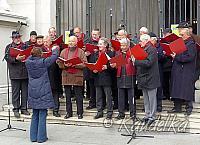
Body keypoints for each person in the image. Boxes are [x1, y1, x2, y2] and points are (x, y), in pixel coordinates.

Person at [25, 46, 59, 143]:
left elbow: (28, 58)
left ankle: (33, 137)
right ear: (40, 54)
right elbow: (54, 56)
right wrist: (55, 49)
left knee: (35, 114)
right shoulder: (43, 62)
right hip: (42, 89)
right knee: (42, 114)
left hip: (32, 89)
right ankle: (41, 137)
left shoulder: (28, 62)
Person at [168, 22, 197, 116]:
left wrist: (176, 57)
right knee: (176, 88)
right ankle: (177, 107)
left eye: (180, 29)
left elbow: (190, 57)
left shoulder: (191, 43)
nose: (179, 30)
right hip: (177, 69)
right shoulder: (180, 41)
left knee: (186, 89)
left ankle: (189, 108)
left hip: (186, 70)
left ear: (186, 31)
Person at [132, 34, 160, 125]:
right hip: (144, 78)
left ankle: (152, 116)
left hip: (151, 78)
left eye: (141, 41)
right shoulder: (143, 49)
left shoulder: (152, 49)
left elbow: (149, 63)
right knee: (146, 99)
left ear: (146, 41)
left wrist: (135, 61)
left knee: (152, 99)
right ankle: (147, 115)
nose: (140, 43)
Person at [57, 36, 87, 119]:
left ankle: (80, 113)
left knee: (78, 96)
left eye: (72, 41)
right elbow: (59, 63)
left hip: (77, 75)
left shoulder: (81, 52)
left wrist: (75, 65)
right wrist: (64, 65)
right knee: (67, 96)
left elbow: (85, 64)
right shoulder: (63, 51)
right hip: (66, 75)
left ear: (76, 42)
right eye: (69, 41)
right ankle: (68, 113)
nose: (70, 43)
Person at [4, 31, 30, 118]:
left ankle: (24, 108)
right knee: (15, 93)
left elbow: (30, 55)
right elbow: (7, 58)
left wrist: (26, 58)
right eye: (15, 37)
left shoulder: (25, 46)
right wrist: (16, 59)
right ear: (12, 38)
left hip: (25, 73)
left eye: (18, 37)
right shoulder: (9, 47)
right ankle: (16, 109)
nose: (17, 39)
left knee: (25, 92)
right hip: (15, 73)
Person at [110, 38, 136, 120]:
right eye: (121, 45)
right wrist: (113, 65)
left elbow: (136, 64)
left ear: (128, 45)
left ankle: (133, 114)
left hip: (130, 76)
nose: (123, 47)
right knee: (120, 96)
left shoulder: (132, 52)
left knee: (131, 97)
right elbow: (115, 64)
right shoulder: (117, 53)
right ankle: (121, 113)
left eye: (124, 45)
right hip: (120, 76)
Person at [93, 37, 114, 119]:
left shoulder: (110, 54)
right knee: (98, 96)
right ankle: (99, 111)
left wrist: (107, 67)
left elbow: (114, 66)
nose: (99, 45)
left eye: (101, 44)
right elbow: (92, 63)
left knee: (108, 96)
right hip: (98, 77)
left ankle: (109, 112)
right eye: (98, 44)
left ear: (105, 45)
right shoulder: (95, 54)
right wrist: (93, 69)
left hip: (107, 77)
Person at [43, 35, 61, 117]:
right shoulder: (41, 50)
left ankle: (56, 110)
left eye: (47, 41)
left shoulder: (55, 48)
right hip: (44, 74)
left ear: (51, 42)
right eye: (44, 42)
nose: (45, 43)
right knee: (45, 93)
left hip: (54, 73)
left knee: (55, 92)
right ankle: (45, 110)